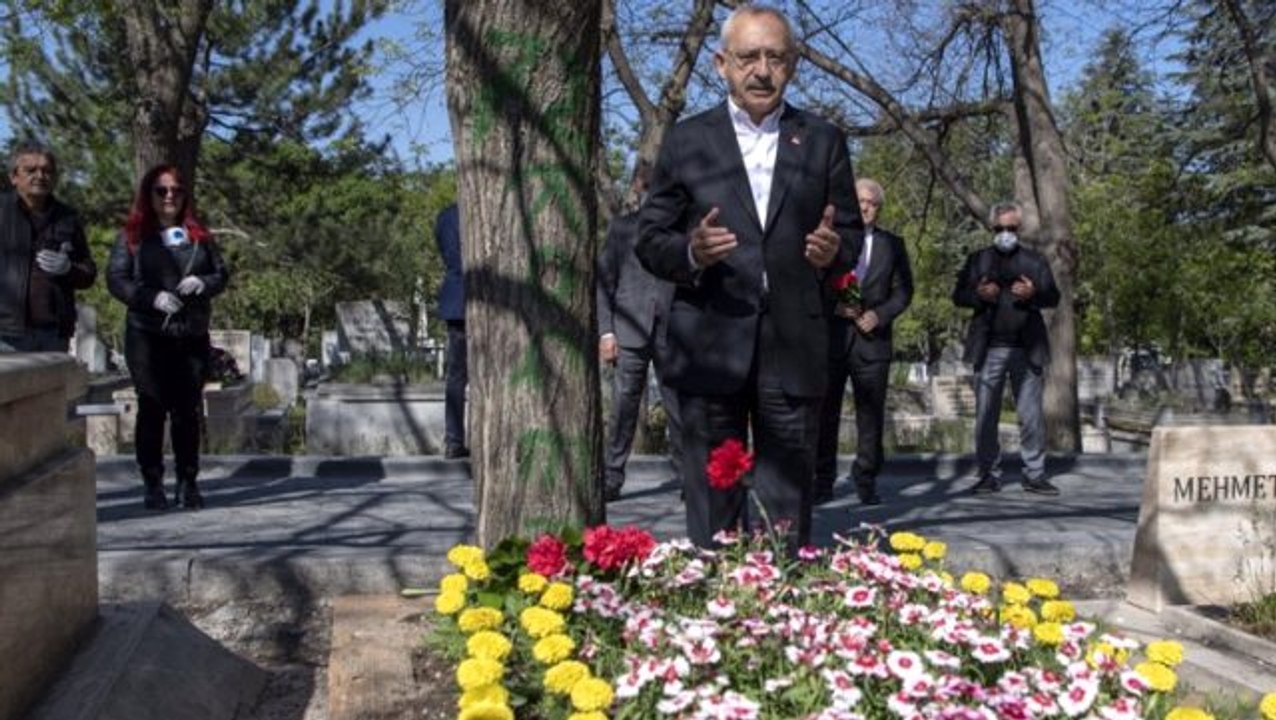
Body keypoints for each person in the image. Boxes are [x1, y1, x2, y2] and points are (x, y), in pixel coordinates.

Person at [636, 4, 861, 549]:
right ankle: (715, 605)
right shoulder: (688, 140)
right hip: (711, 343)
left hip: (793, 343)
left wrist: (834, 252)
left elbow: (851, 233)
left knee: (786, 500)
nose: (762, 70)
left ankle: (781, 604)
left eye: (775, 57)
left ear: (793, 65)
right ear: (721, 64)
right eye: (748, 57)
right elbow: (649, 237)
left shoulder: (823, 139)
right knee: (714, 494)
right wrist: (690, 250)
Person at [107, 164, 229, 510]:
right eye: (161, 190)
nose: (169, 196)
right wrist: (151, 298)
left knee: (187, 410)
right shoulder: (132, 237)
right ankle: (153, 482)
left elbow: (221, 273)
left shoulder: (199, 237)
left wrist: (203, 283)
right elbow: (117, 279)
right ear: (150, 196)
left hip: (189, 334)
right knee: (152, 407)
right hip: (148, 335)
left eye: (175, 189)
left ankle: (188, 481)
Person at [813, 178, 913, 506]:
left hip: (873, 343)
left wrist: (880, 315)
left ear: (879, 208)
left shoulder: (892, 245)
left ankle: (866, 479)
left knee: (870, 416)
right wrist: (834, 306)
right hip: (833, 340)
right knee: (825, 414)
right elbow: (811, 284)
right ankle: (822, 481)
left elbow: (903, 291)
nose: (865, 206)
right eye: (859, 200)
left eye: (872, 202)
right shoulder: (829, 241)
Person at [952, 201, 1060, 496]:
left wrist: (1033, 293)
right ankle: (988, 474)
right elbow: (958, 295)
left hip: (1027, 349)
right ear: (992, 229)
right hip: (989, 350)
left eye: (1011, 228)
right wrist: (978, 294)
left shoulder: (1035, 261)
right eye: (1000, 229)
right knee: (986, 416)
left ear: (1019, 229)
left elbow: (1054, 297)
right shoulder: (978, 261)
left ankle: (1034, 475)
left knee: (1031, 416)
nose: (1005, 233)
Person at [597, 169, 681, 502]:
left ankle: (689, 479)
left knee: (678, 407)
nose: (650, 194)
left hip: (672, 331)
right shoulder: (621, 228)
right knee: (623, 408)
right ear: (636, 188)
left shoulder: (678, 229)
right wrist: (606, 332)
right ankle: (612, 477)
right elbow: (605, 283)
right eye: (646, 188)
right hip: (628, 330)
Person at [0, 142, 96, 352]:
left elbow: (88, 273)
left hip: (54, 334)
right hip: (6, 334)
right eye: (31, 170)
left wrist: (69, 269)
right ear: (14, 177)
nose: (40, 176)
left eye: (47, 170)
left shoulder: (68, 218)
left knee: (51, 386)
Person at [435, 203, 469, 459]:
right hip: (481, 296)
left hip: (456, 299)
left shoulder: (447, 216)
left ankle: (454, 439)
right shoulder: (481, 211)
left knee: (456, 375)